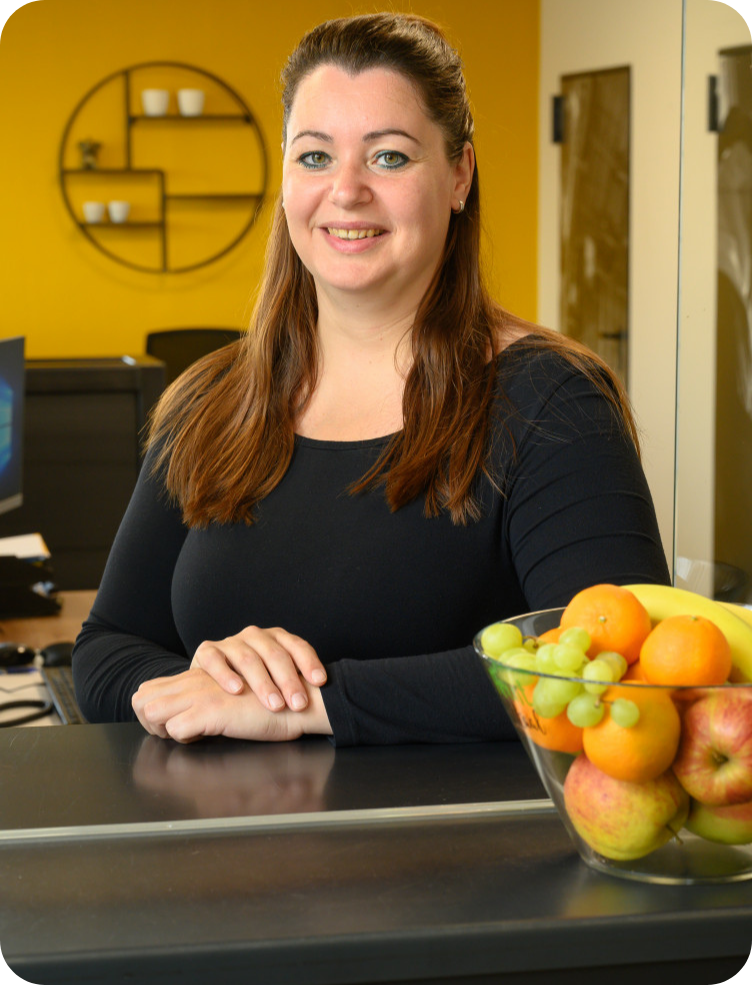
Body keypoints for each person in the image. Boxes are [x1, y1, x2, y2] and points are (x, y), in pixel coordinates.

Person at [72, 12, 671, 746]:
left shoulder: (553, 402)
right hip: (220, 856)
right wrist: (205, 677)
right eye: (315, 157)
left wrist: (303, 703)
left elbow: (609, 665)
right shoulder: (211, 400)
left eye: (388, 157)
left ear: (458, 175)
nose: (346, 190)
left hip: (459, 855)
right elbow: (107, 648)